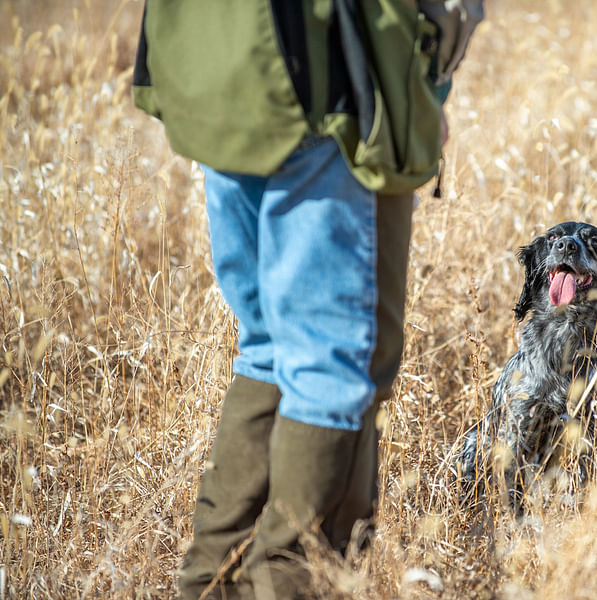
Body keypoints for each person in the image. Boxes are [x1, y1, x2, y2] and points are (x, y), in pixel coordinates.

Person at [132, 1, 482, 598]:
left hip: (219, 64)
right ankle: (286, 586)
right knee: (335, 366)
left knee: (271, 346)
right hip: (328, 74)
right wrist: (414, 75)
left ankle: (210, 587)